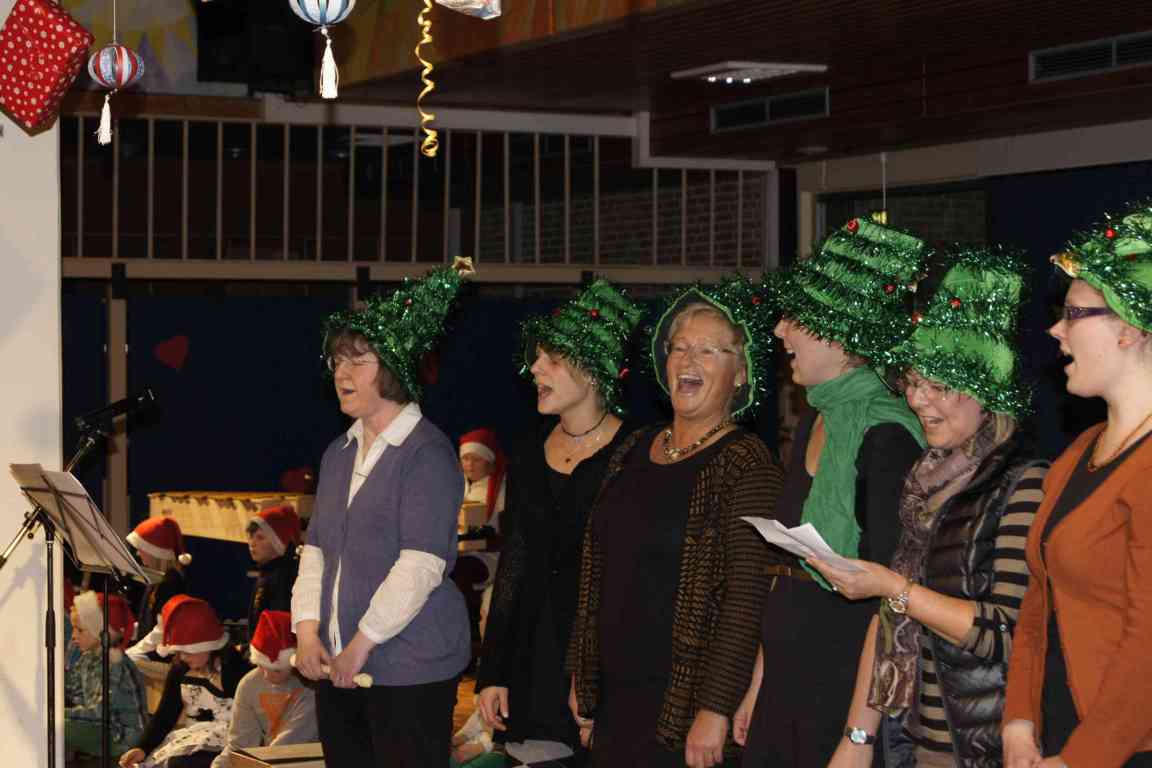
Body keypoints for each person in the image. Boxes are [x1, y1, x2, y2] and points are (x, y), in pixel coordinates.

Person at [802, 247, 1048, 767]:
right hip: (911, 740)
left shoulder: (1023, 483)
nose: (918, 400)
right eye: (914, 383)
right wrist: (857, 737)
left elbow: (1008, 633)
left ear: (987, 394)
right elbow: (890, 619)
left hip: (980, 747)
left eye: (939, 386)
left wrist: (893, 587)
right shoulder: (925, 480)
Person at [569, 276, 784, 768]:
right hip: (615, 699)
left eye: (708, 350)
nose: (688, 360)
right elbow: (596, 571)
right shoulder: (631, 448)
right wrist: (581, 673)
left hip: (685, 712)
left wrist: (715, 709)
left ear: (741, 373)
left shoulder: (749, 465)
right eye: (679, 347)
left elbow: (747, 599)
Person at [738, 217, 929, 767]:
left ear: (843, 336)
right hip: (789, 678)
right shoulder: (815, 419)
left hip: (843, 682)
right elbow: (791, 571)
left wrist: (858, 736)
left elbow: (893, 601)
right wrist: (759, 685)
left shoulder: (887, 435)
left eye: (797, 319)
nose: (780, 331)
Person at [291, 259, 474, 768]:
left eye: (359, 361)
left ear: (392, 366)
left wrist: (361, 645)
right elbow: (316, 550)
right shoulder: (338, 453)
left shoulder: (426, 454)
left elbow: (421, 565)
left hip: (409, 671)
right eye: (337, 361)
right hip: (340, 665)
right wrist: (306, 630)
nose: (341, 373)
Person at [1002, 206, 1152, 768]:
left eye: (1074, 314)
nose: (1055, 330)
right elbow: (1038, 601)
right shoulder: (1079, 453)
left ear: (1130, 327)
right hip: (1058, 736)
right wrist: (1019, 721)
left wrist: (1081, 759)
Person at [476, 279, 643, 766]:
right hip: (533, 660)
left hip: (605, 663)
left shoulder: (638, 452)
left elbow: (634, 577)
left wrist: (594, 675)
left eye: (551, 359)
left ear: (591, 370)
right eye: (537, 358)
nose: (535, 369)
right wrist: (493, 671)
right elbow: (514, 565)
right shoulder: (529, 452)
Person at [119, 595, 250, 768]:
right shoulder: (180, 669)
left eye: (188, 652)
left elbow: (248, 722)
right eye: (179, 652)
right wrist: (142, 747)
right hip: (191, 739)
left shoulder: (234, 669)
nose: (182, 657)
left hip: (227, 744)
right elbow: (165, 715)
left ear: (208, 645)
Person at [211, 610, 318, 768]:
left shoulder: (310, 688)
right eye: (261, 666)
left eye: (276, 670)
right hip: (268, 760)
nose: (267, 676)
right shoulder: (249, 684)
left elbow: (289, 745)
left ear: (294, 663)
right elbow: (239, 744)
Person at [65, 591, 148, 759]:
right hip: (102, 728)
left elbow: (99, 712)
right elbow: (73, 691)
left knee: (55, 726)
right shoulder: (88, 657)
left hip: (122, 739)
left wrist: (59, 712)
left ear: (100, 632)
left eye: (79, 630)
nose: (73, 636)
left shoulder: (115, 664)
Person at [125, 516, 192, 661]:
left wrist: (131, 653)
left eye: (141, 549)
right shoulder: (157, 578)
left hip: (161, 658)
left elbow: (161, 631)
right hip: (150, 652)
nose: (138, 553)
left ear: (155, 552)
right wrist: (126, 630)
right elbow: (148, 622)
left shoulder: (171, 583)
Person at [245, 505, 301, 642]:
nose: (252, 543)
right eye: (251, 537)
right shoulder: (268, 573)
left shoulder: (283, 578)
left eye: (260, 537)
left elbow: (278, 630)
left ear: (278, 542)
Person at [459, 428, 508, 533]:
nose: (470, 464)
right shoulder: (456, 484)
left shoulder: (501, 490)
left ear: (489, 463)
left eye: (477, 460)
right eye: (465, 458)